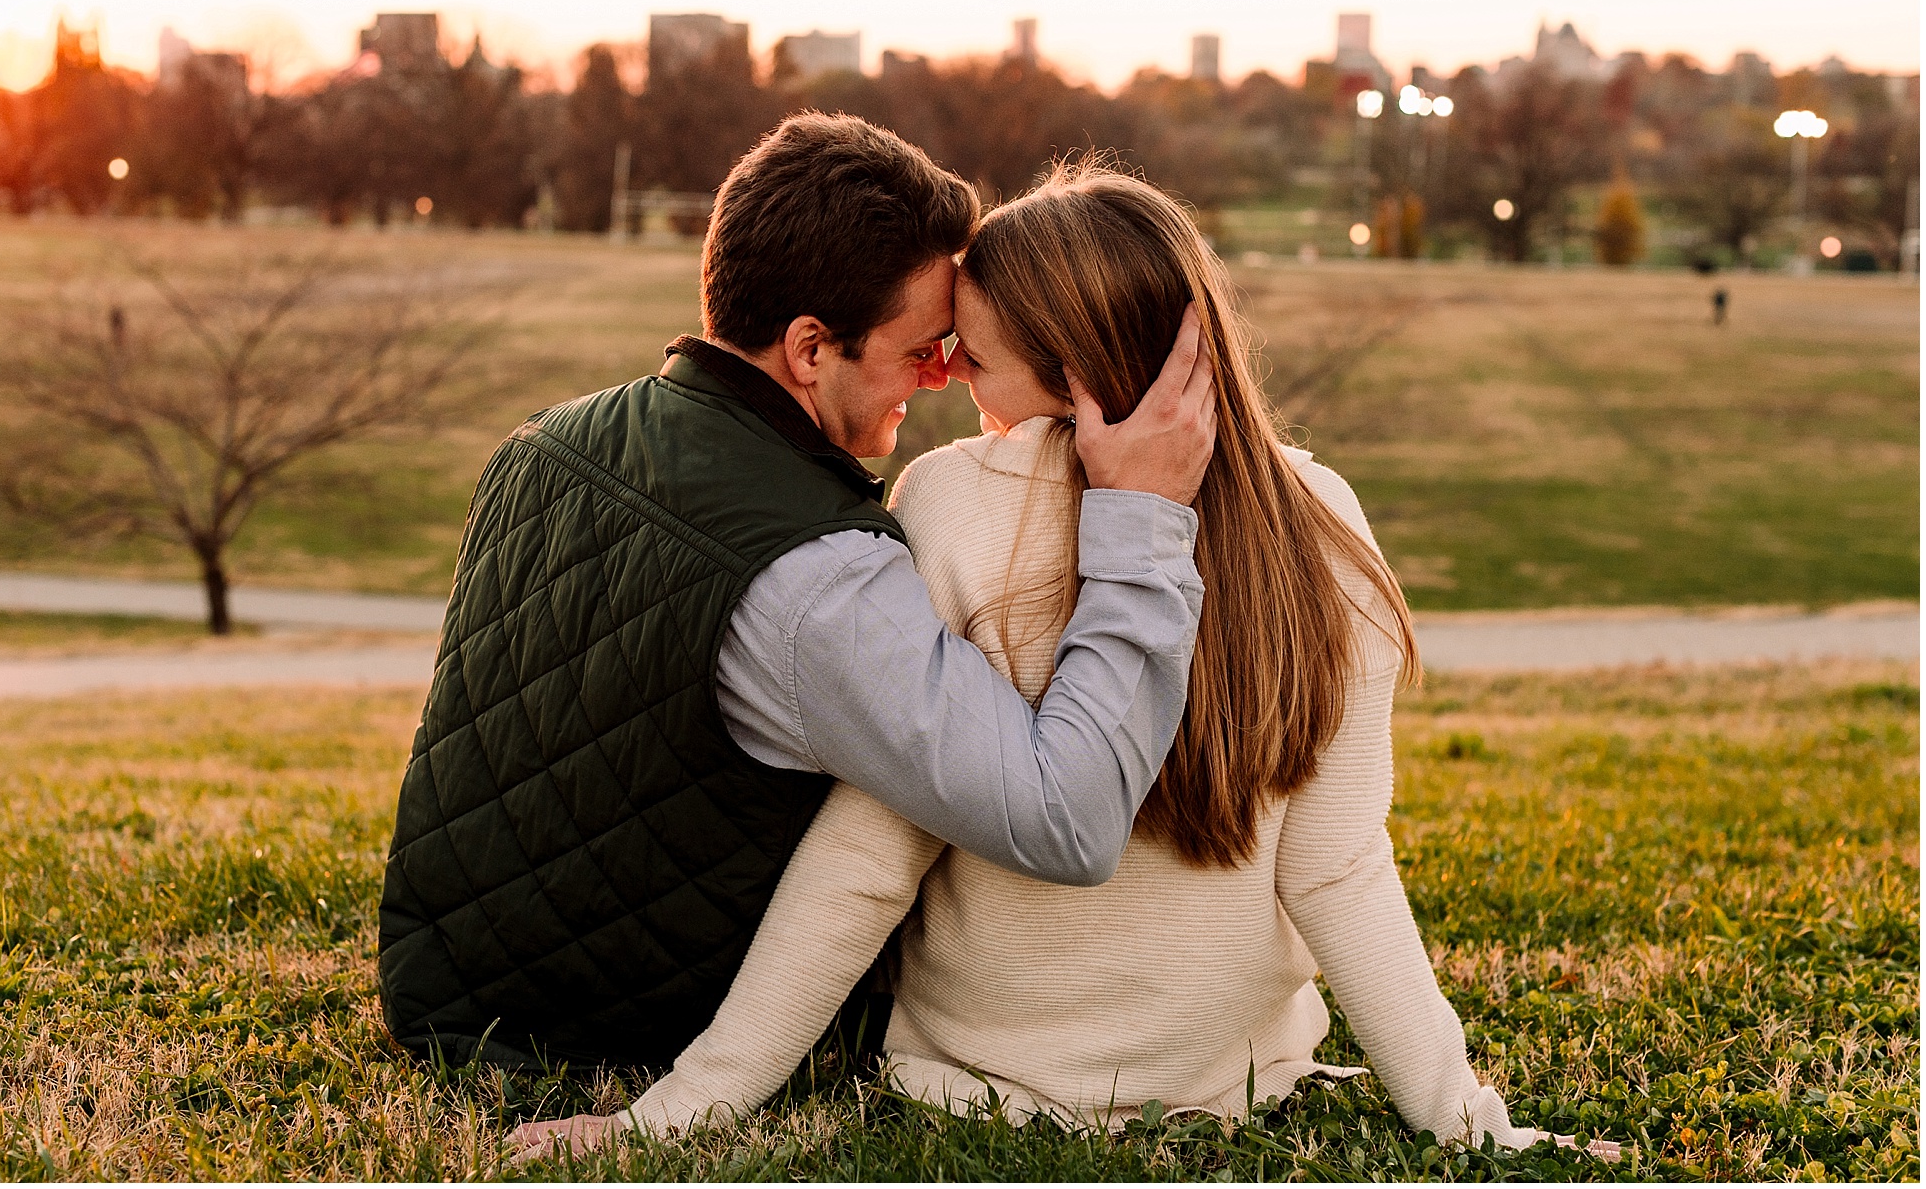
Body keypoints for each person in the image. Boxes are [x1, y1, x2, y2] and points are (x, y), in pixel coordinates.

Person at [513, 163, 1617, 1160]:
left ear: (1078, 373)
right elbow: (1336, 869)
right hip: (1229, 1087)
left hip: (970, 1087)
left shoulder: (949, 499)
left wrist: (676, 1113)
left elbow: (869, 857)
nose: (954, 386)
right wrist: (1471, 1125)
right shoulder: (1320, 520)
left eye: (977, 359)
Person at [377, 117, 1218, 1071]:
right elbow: (1070, 817)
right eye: (921, 348)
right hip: (625, 1034)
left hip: (443, 986)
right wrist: (1142, 517)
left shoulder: (540, 445)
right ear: (811, 347)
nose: (944, 376)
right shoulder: (819, 584)